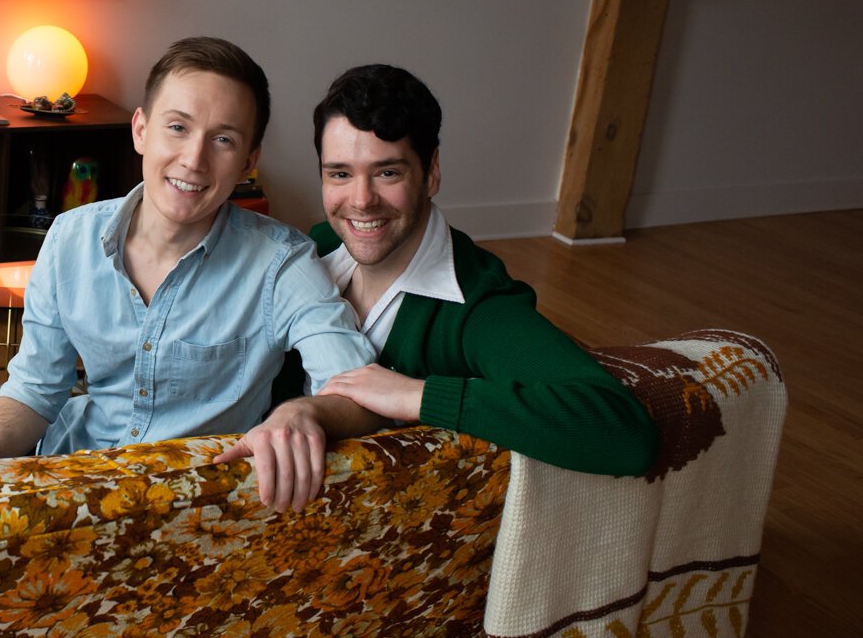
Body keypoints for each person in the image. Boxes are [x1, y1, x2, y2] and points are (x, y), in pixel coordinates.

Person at [0, 38, 383, 482]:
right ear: (140, 130)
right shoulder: (70, 237)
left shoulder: (282, 263)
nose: (193, 160)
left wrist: (303, 409)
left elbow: (358, 389)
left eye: (222, 140)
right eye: (177, 127)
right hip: (69, 468)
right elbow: (38, 387)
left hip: (187, 497)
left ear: (248, 162)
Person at [215, 64, 660, 499]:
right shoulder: (318, 246)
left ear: (431, 172)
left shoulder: (476, 306)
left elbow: (624, 430)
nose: (361, 200)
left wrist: (418, 396)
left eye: (388, 172)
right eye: (340, 174)